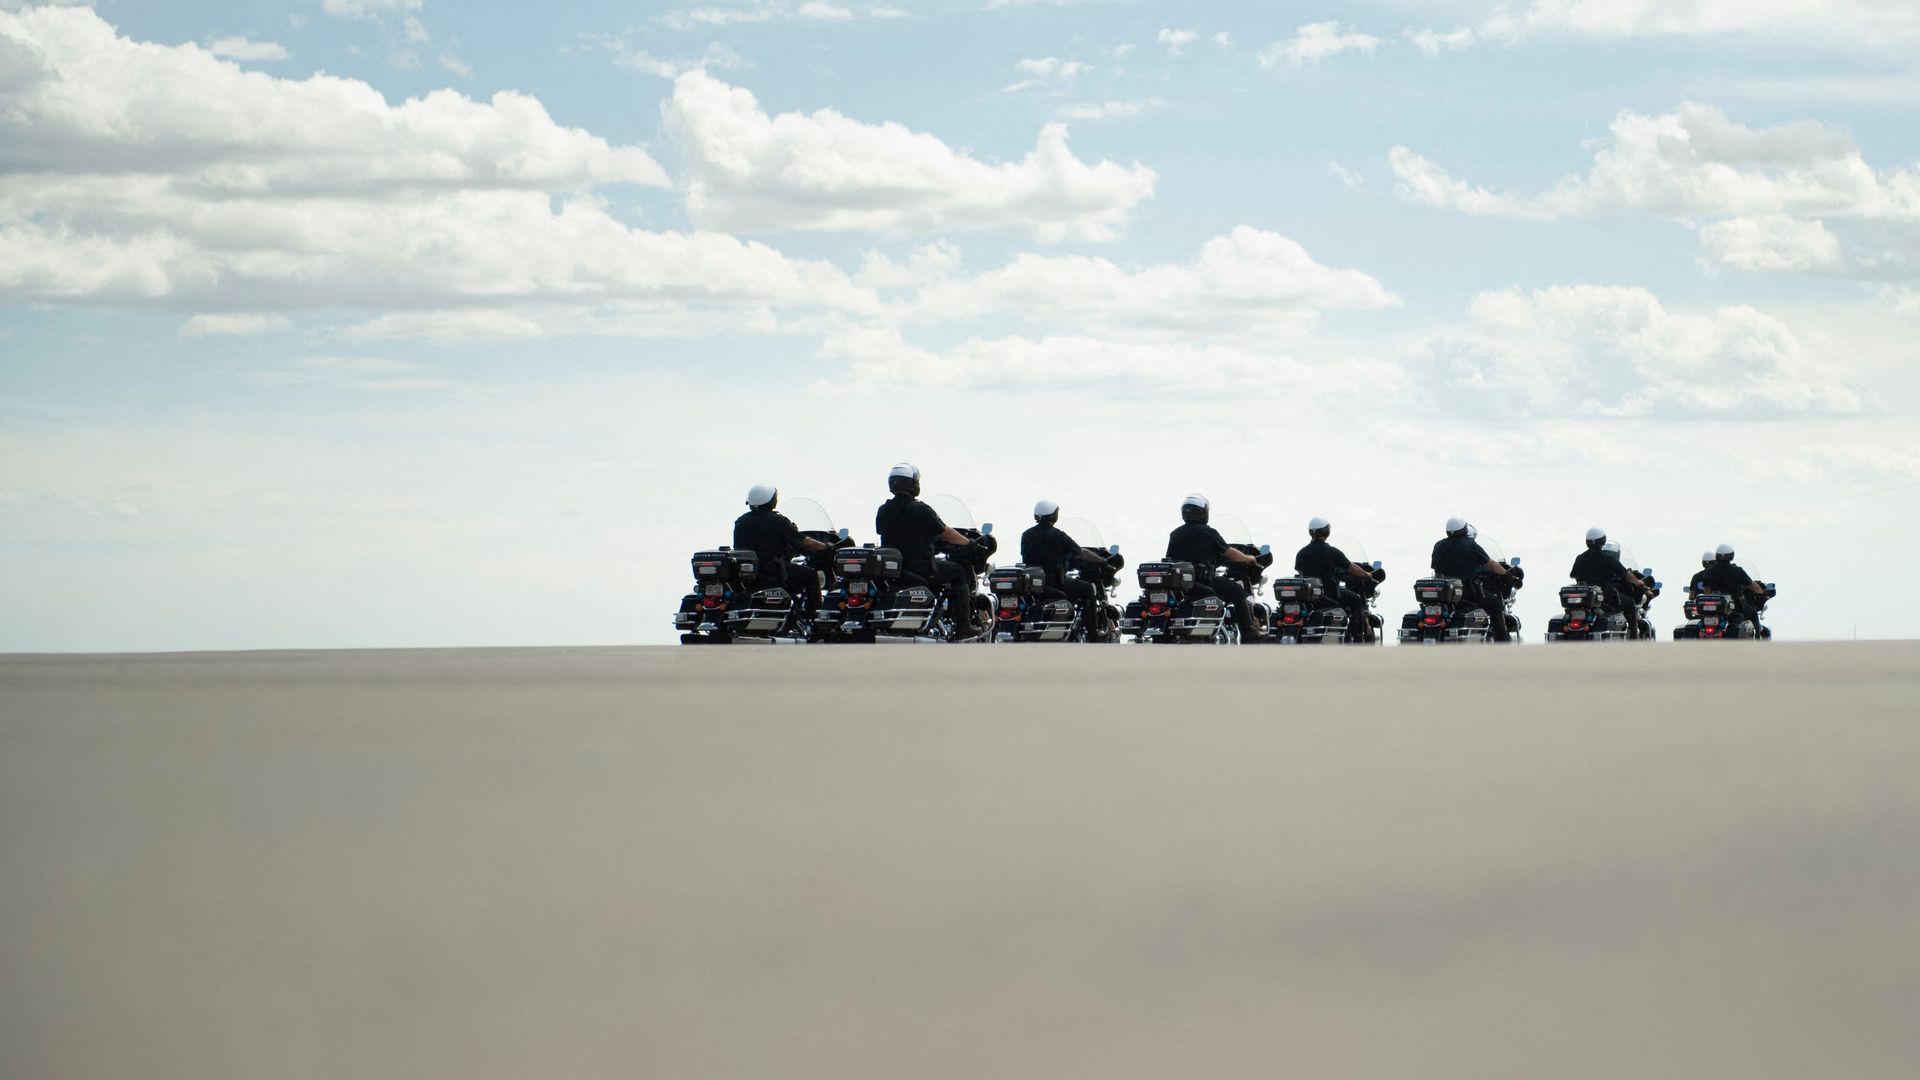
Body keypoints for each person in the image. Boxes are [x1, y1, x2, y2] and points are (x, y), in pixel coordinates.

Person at [875, 463, 982, 638]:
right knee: (958, 572)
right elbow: (946, 532)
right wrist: (969, 543)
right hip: (919, 567)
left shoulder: (883, 510)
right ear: (913, 484)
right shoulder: (920, 509)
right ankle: (964, 626)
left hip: (897, 568)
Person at [1166, 494, 1265, 641]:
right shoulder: (1208, 532)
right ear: (1202, 512)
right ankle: (1248, 631)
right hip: (1203, 581)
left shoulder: (1175, 534)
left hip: (1181, 584)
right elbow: (1229, 552)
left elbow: (1170, 558)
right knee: (1237, 590)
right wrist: (1248, 559)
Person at [1021, 500, 1111, 640]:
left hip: (1036, 581)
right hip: (1055, 581)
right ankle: (1093, 634)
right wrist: (1102, 560)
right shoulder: (1057, 535)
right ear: (1053, 516)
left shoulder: (1026, 534)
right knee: (1088, 590)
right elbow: (1081, 552)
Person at [733, 484, 829, 611]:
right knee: (810, 575)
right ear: (772, 501)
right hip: (772, 570)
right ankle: (814, 615)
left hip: (750, 572)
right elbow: (804, 542)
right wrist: (826, 546)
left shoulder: (741, 521)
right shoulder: (777, 520)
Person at [1294, 516, 1377, 643]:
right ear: (1327, 531)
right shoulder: (1332, 552)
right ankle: (1358, 638)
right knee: (1355, 599)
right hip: (1329, 592)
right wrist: (1366, 575)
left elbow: (1299, 570)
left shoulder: (1302, 552)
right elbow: (1351, 568)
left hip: (1309, 595)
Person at [1431, 516, 1512, 642]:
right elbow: (1492, 564)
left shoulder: (1438, 545)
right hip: (1468, 591)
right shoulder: (1471, 546)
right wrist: (1507, 574)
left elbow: (1435, 566)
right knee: (1495, 603)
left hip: (1445, 592)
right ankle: (1503, 641)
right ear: (1464, 530)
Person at [1569, 527, 1646, 620]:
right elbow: (1625, 574)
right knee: (1630, 605)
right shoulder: (1608, 558)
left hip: (1586, 599)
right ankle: (1634, 634)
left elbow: (1572, 575)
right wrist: (1638, 582)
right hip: (1607, 598)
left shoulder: (1580, 558)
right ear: (1603, 540)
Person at [1698, 543, 1771, 636]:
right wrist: (1763, 592)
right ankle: (1757, 638)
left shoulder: (1709, 571)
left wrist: (1711, 598)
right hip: (1736, 607)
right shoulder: (1737, 570)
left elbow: (1706, 588)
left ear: (1716, 556)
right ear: (1731, 555)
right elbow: (1752, 585)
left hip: (1716, 608)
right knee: (1753, 614)